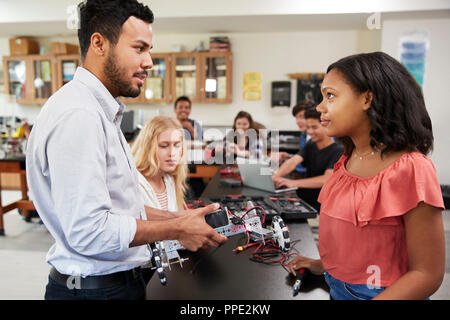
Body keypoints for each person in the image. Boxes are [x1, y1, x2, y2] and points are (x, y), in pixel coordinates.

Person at [26, 0, 226, 300]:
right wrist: (177, 230)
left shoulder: (98, 110)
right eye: (139, 48)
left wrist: (175, 218)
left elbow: (116, 207)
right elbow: (90, 231)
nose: (149, 62)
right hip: (96, 292)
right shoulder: (80, 115)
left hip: (112, 284)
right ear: (99, 44)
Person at [287, 52, 445, 300]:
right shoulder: (347, 160)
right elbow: (359, 239)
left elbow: (427, 274)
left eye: (330, 95)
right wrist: (325, 265)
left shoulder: (412, 168)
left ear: (367, 98)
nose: (319, 107)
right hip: (337, 286)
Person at [272, 108, 343, 210]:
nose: (309, 131)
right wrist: (275, 177)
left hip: (320, 206)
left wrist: (292, 183)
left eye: (314, 127)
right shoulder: (311, 144)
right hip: (304, 201)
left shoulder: (338, 150)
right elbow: (293, 161)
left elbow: (326, 179)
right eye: (308, 127)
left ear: (327, 125)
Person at [131, 116, 187, 211]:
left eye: (177, 145)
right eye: (164, 146)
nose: (172, 153)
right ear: (148, 148)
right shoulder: (135, 184)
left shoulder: (169, 180)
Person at [271, 101, 315, 178]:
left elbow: (311, 166)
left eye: (302, 117)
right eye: (297, 118)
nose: (298, 121)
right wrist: (288, 157)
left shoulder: (326, 138)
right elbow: (305, 158)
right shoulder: (304, 135)